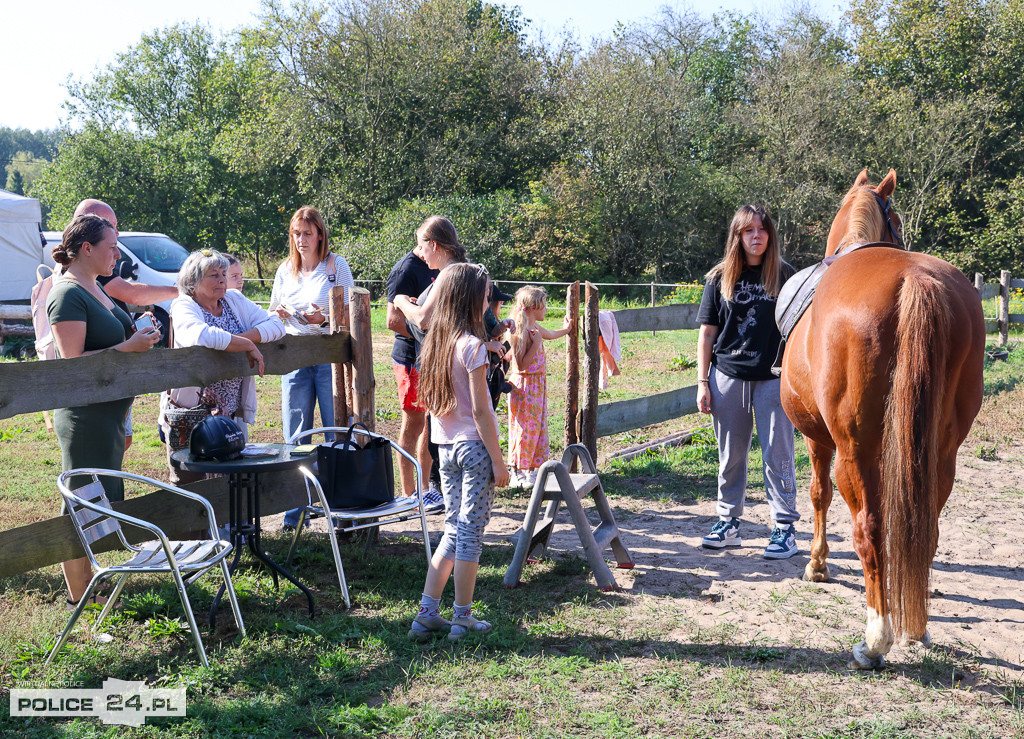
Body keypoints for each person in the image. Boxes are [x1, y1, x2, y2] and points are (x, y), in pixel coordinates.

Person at [46, 214, 161, 606]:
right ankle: (77, 599)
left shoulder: (95, 286)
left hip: (108, 415)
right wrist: (129, 347)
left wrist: (140, 333)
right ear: (87, 249)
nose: (117, 254)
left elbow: (115, 341)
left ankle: (91, 586)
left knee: (98, 500)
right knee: (78, 502)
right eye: (111, 247)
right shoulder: (66, 293)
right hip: (85, 416)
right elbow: (72, 361)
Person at [407, 263, 510, 642]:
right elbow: (483, 412)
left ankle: (426, 614)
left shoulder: (435, 344)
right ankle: (461, 616)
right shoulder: (471, 348)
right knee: (471, 534)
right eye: (485, 296)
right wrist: (498, 461)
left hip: (445, 447)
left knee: (453, 527)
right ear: (470, 300)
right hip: (475, 449)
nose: (489, 303)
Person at [695, 204, 800, 559]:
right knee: (731, 458)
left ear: (770, 234)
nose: (756, 237)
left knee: (778, 455)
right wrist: (702, 381)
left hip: (774, 378)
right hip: (727, 377)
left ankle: (784, 527)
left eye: (762, 229)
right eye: (748, 231)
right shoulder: (719, 278)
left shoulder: (786, 275)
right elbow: (708, 334)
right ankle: (729, 523)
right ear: (737, 236)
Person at [159, 249, 285, 485]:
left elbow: (276, 324)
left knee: (233, 483)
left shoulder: (233, 299)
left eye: (223, 274)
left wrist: (244, 340)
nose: (221, 280)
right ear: (193, 282)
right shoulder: (183, 305)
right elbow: (200, 335)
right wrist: (243, 343)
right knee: (193, 484)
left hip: (231, 414)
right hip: (192, 418)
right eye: (213, 274)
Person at [270, 206, 354, 531]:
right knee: (296, 434)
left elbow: (351, 311)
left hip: (328, 354)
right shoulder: (284, 270)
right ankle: (295, 515)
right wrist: (281, 313)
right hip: (294, 355)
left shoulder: (335, 265)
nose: (301, 239)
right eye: (296, 233)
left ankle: (341, 510)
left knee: (336, 431)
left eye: (307, 233)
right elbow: (272, 309)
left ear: (320, 233)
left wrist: (326, 318)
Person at [72, 199, 179, 451]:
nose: (117, 235)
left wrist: (133, 331)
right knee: (105, 447)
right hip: (97, 385)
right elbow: (132, 294)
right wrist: (182, 290)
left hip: (111, 376)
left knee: (120, 440)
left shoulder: (93, 275)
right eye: (110, 225)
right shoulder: (84, 272)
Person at [387, 216, 466, 500]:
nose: (418, 250)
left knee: (434, 425)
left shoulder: (448, 271)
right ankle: (411, 494)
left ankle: (426, 491)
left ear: (433, 244)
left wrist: (406, 306)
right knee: (416, 425)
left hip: (435, 358)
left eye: (421, 244)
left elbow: (424, 319)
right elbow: (392, 321)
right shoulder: (406, 269)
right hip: (412, 358)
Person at [506, 286, 572, 488]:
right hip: (525, 386)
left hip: (536, 386)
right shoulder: (521, 331)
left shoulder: (533, 327)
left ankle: (530, 470)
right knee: (524, 429)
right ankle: (518, 472)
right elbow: (521, 365)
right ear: (533, 307)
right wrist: (536, 345)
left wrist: (567, 330)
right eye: (543, 305)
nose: (546, 309)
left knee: (536, 428)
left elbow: (550, 334)